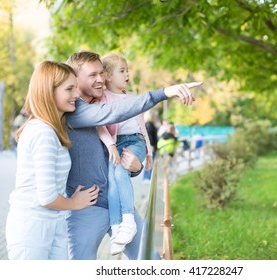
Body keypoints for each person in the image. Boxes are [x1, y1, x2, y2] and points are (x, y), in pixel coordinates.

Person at [64, 51, 202, 260]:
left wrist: (136, 167)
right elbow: (115, 112)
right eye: (93, 75)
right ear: (75, 77)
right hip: (87, 209)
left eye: (102, 73)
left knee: (150, 260)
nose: (100, 79)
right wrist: (164, 92)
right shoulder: (75, 110)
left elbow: (119, 153)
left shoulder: (103, 102)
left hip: (117, 203)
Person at [5, 61, 100, 260]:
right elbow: (46, 197)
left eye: (76, 87)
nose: (76, 94)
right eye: (69, 89)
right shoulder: (43, 132)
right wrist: (74, 203)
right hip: (32, 229)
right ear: (49, 91)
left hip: (52, 223)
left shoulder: (52, 130)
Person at [96, 53, 154, 255]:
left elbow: (141, 125)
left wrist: (148, 150)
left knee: (120, 173)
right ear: (108, 76)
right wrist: (111, 144)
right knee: (113, 180)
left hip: (134, 140)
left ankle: (128, 220)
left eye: (127, 70)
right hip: (118, 143)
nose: (127, 74)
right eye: (122, 70)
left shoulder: (132, 99)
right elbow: (100, 126)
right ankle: (117, 228)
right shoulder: (103, 99)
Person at [143, 115, 158, 182]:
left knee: (149, 162)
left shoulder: (149, 124)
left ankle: (147, 177)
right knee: (149, 161)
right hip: (151, 146)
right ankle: (147, 177)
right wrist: (151, 145)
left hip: (151, 146)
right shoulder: (149, 124)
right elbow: (149, 135)